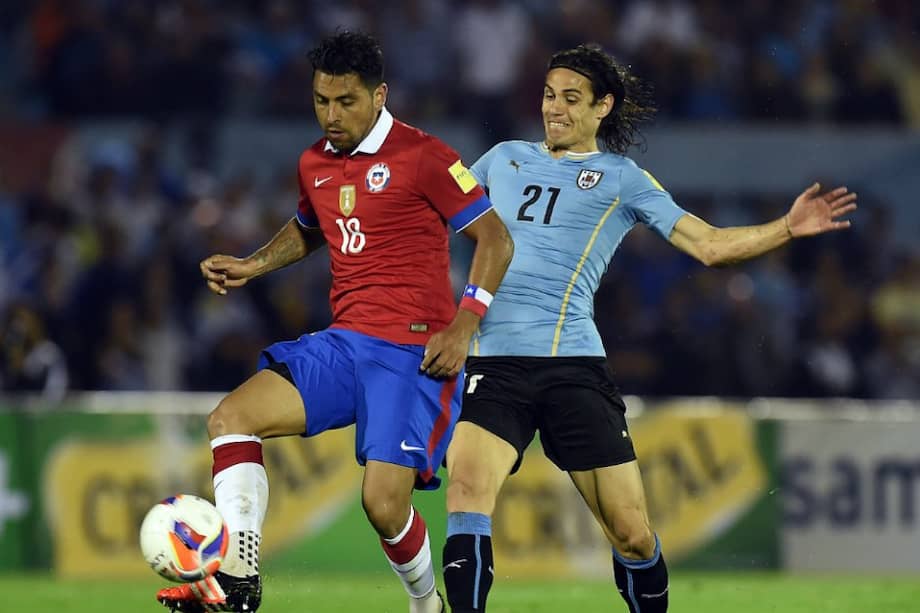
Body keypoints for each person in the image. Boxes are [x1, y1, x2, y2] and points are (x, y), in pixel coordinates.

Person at [441, 43, 856, 613]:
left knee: (632, 533)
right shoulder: (500, 158)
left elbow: (707, 245)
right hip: (493, 364)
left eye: (570, 98)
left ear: (602, 106)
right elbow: (427, 210)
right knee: (466, 492)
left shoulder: (621, 178)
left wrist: (785, 227)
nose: (553, 109)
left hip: (572, 369)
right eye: (546, 95)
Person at [156, 31, 513, 613]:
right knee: (231, 419)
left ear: (379, 95)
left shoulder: (425, 156)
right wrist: (253, 264)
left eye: (345, 101)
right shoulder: (314, 163)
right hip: (345, 344)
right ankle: (240, 578)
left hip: (414, 353)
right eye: (321, 100)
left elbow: (496, 238)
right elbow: (310, 228)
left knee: (384, 506)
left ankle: (428, 607)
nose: (331, 115)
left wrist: (465, 324)